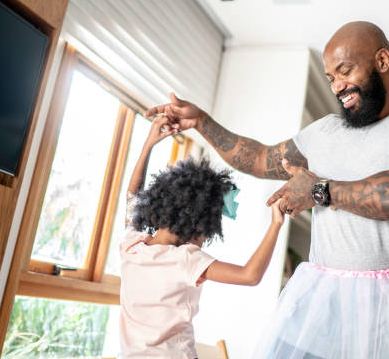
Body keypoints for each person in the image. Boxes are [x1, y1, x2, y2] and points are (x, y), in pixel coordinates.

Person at [145, 21, 389, 358]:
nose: (337, 87)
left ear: (382, 61)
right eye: (331, 77)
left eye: (345, 71)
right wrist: (202, 121)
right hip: (318, 305)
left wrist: (320, 190)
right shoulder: (325, 131)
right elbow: (260, 159)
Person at [119, 114, 286, 359]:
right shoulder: (185, 258)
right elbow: (249, 276)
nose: (205, 240)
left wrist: (148, 144)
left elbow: (133, 196)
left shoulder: (132, 246)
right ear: (197, 224)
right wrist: (276, 224)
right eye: (206, 233)